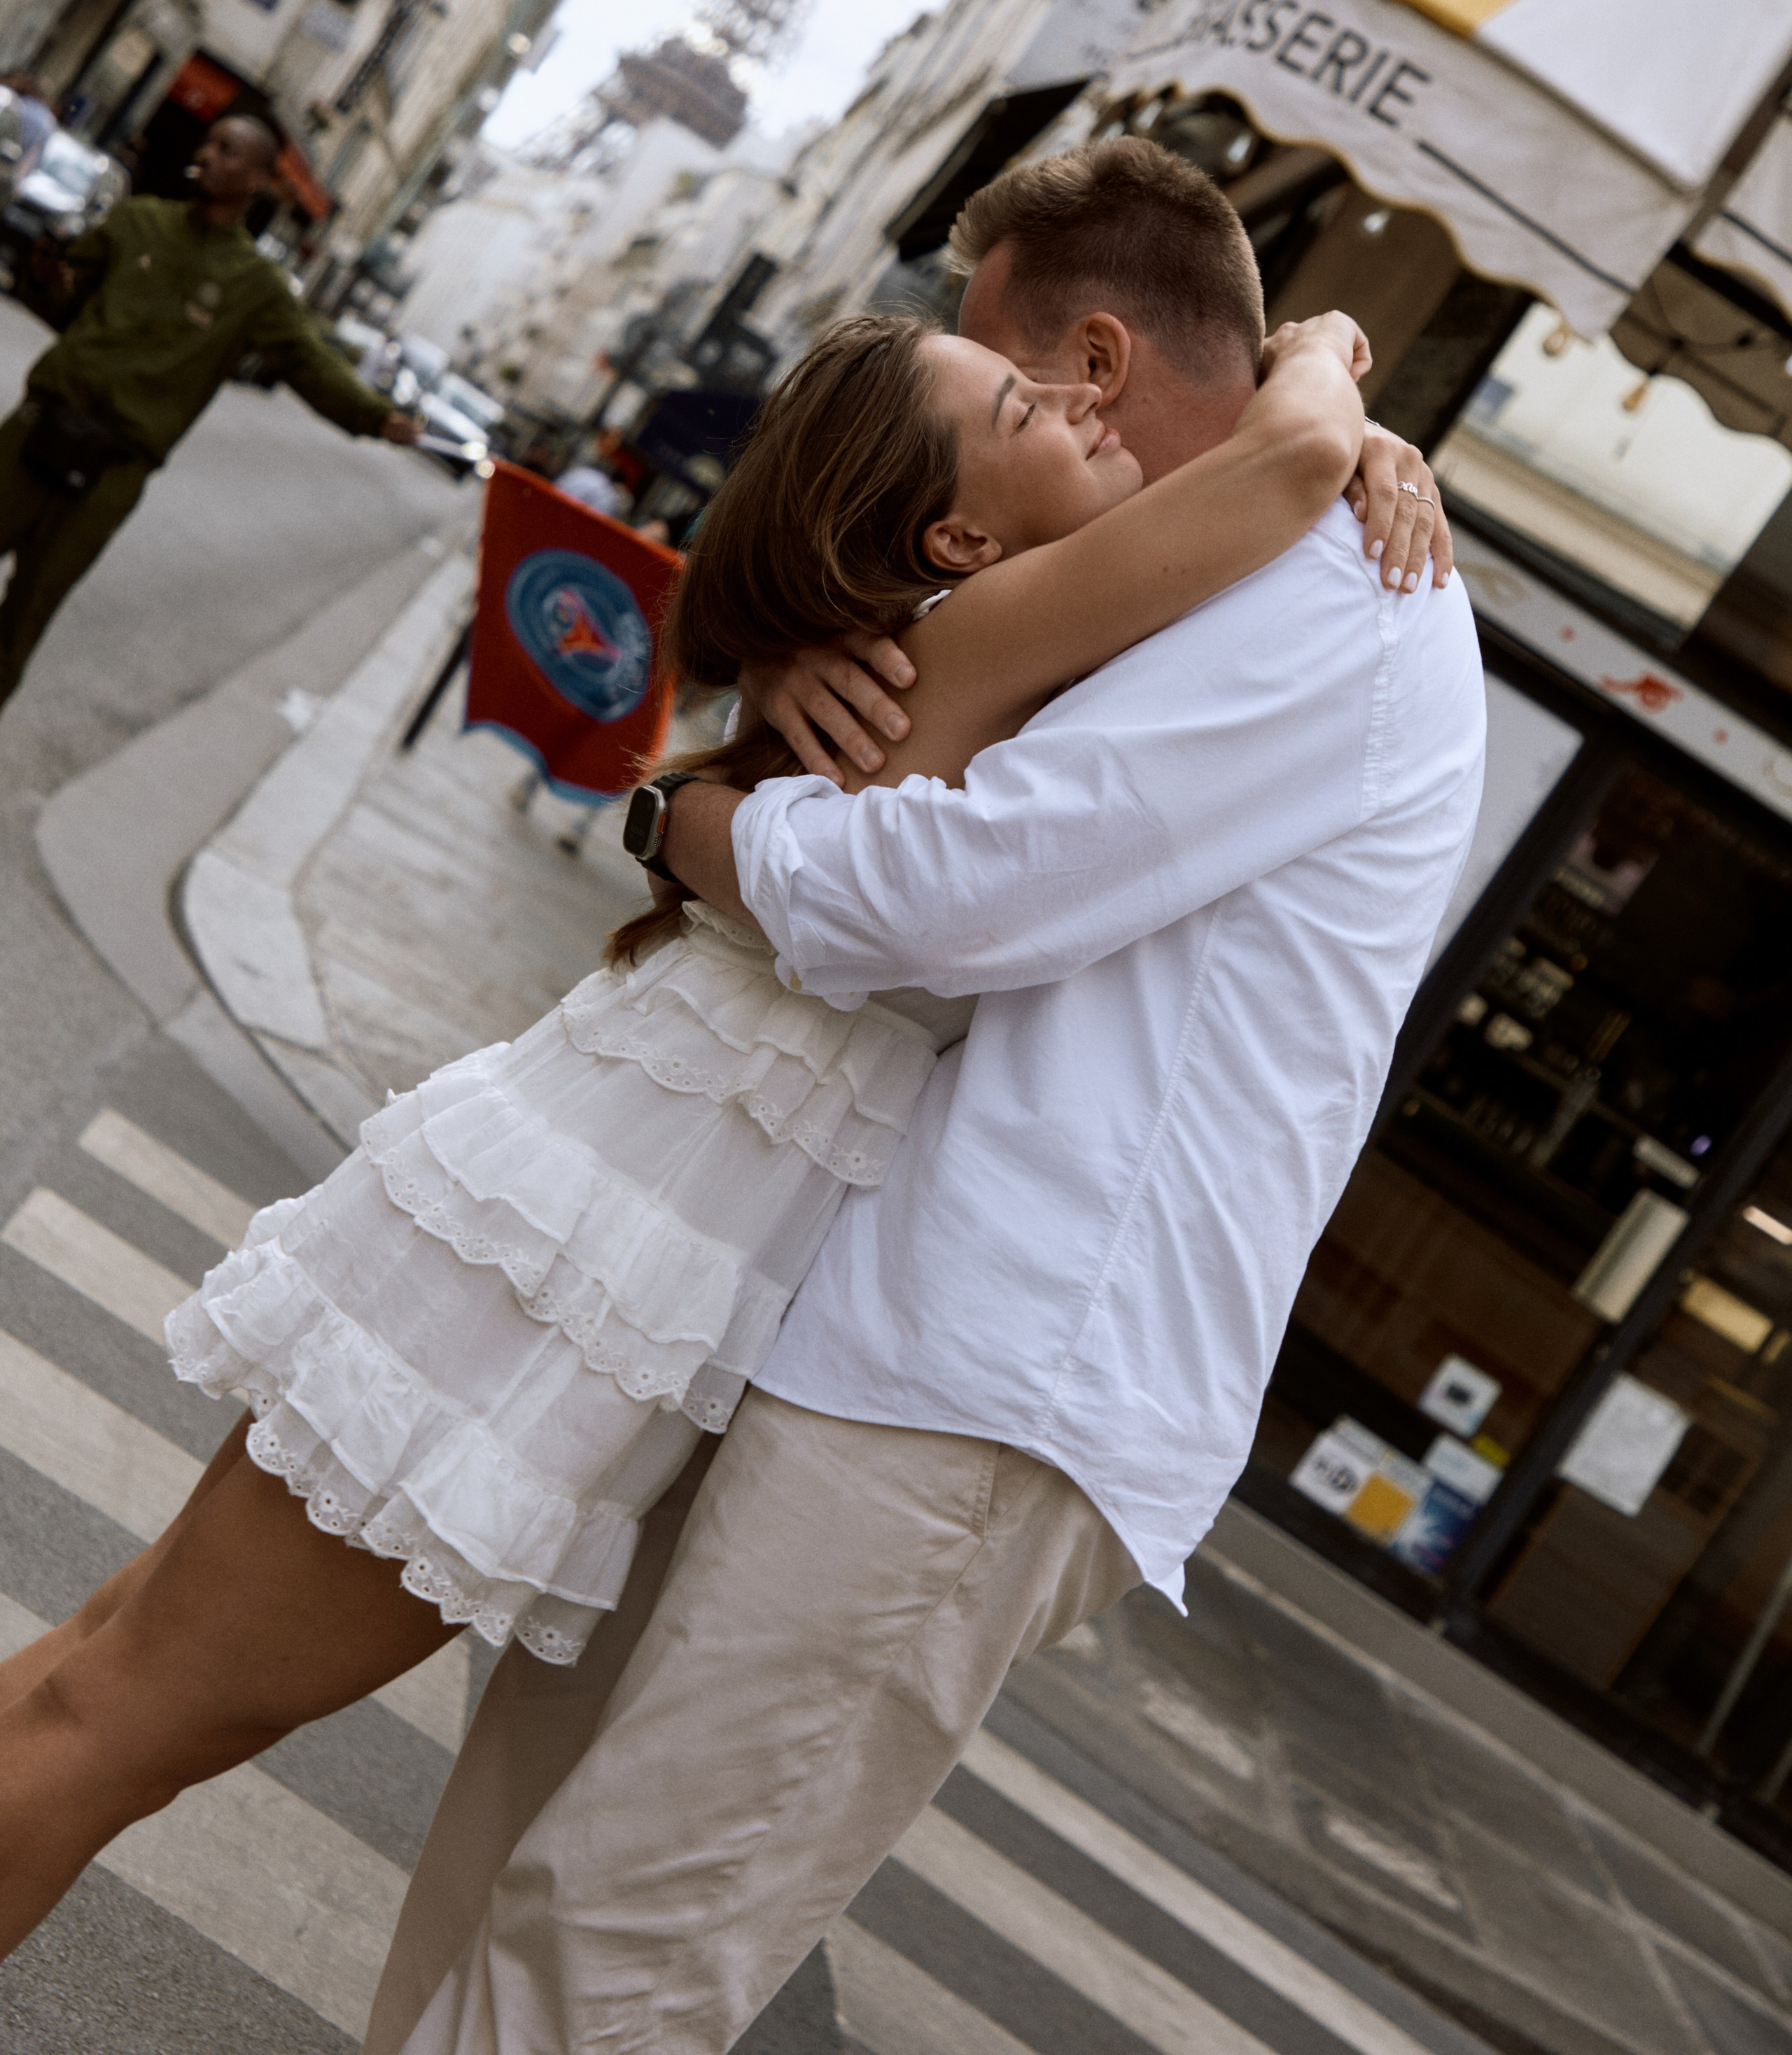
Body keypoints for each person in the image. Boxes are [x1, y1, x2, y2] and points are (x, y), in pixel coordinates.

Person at [0, 266, 1436, 1962]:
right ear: (957, 542)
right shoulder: (988, 634)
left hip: (603, 1195)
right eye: (1018, 408)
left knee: (116, 1678)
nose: (1078, 407)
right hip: (594, 1244)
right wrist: (1333, 354)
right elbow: (1278, 467)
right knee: (134, 1716)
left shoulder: (943, 641)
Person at [366, 136, 1485, 2055]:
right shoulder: (1189, 561)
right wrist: (811, 668)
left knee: (614, 1943)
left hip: (986, 1381)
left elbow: (936, 896)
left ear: (1103, 364)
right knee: (518, 1845)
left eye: (1003, 370)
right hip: (849, 1318)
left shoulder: (1328, 597)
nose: (1023, 416)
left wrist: (693, 812)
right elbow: (926, 709)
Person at [0, 113, 419, 713]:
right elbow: (63, 300)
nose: (208, 154)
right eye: (210, 144)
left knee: (23, 618)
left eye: (228, 151)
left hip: (110, 470)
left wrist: (376, 417)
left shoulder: (257, 286)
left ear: (257, 181)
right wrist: (44, 276)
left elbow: (309, 363)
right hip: (39, 426)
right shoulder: (137, 220)